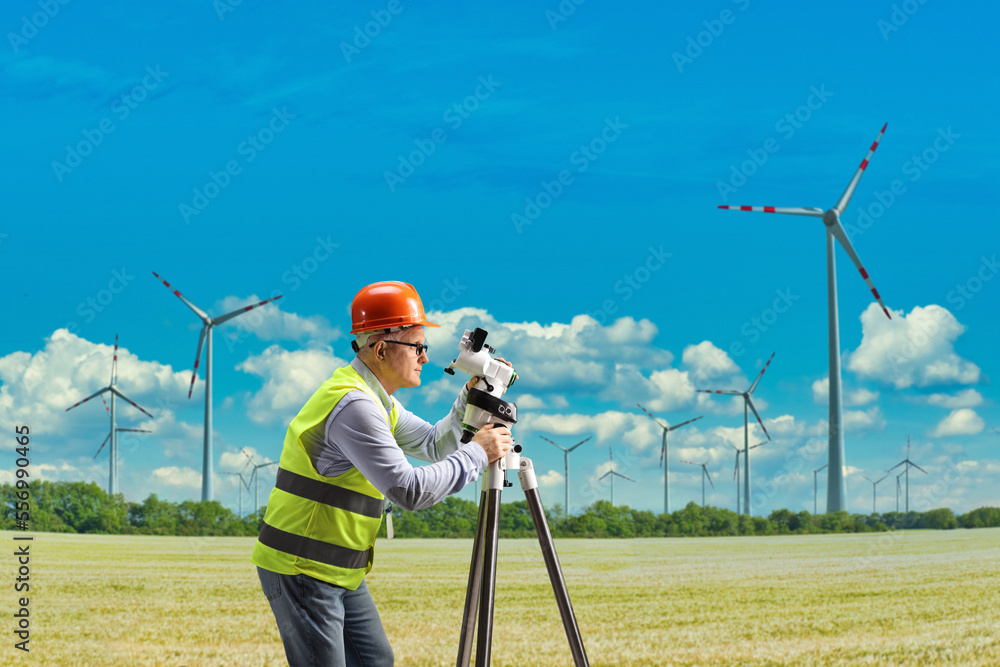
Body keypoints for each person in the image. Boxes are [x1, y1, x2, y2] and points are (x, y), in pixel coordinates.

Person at [251, 280, 513, 666]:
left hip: (339, 568)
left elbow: (435, 444)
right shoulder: (354, 405)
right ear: (381, 348)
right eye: (419, 346)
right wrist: (478, 454)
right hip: (302, 568)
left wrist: (469, 401)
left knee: (376, 661)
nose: (425, 357)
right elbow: (408, 490)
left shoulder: (378, 401)